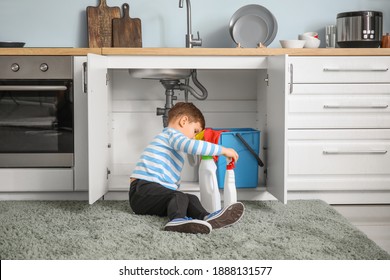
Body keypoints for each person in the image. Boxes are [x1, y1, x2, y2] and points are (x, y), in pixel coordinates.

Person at [129, 102, 245, 234]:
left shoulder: (173, 141)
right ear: (184, 121)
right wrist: (223, 150)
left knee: (190, 198)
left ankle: (206, 217)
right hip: (141, 191)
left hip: (151, 197)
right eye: (195, 131)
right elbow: (192, 146)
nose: (194, 137)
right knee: (179, 196)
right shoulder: (171, 134)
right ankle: (177, 221)